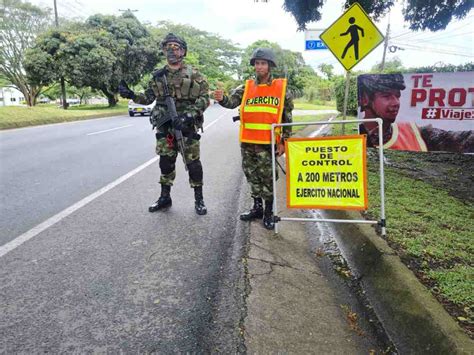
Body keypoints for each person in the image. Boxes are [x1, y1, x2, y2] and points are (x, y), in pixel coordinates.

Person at [119, 33, 210, 215]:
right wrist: (131, 94)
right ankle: (165, 198)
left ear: (183, 51)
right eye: (167, 47)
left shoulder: (195, 74)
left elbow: (204, 99)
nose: (171, 51)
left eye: (175, 47)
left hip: (186, 126)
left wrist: (188, 116)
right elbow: (148, 98)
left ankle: (199, 199)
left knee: (193, 164)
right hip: (165, 127)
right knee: (166, 163)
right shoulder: (158, 76)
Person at [214, 48, 293, 230]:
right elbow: (231, 102)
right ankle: (256, 207)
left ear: (270, 65)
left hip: (269, 143)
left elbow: (287, 117)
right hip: (248, 141)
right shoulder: (246, 87)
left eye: (263, 63)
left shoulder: (281, 89)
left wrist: (284, 142)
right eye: (257, 63)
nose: (259, 66)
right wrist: (221, 98)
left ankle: (268, 211)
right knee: (251, 174)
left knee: (267, 177)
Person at [358, 74, 474, 152]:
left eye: (397, 96)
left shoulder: (416, 133)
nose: (395, 103)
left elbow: (460, 139)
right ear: (365, 99)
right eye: (386, 96)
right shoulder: (352, 135)